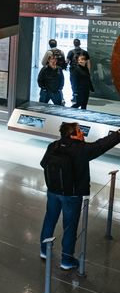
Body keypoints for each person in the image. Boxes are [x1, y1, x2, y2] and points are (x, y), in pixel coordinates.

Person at [40, 122, 120, 269]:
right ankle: (67, 260)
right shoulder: (82, 149)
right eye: (79, 131)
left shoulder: (54, 146)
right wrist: (119, 134)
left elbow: (44, 163)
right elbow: (102, 145)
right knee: (70, 226)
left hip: (53, 191)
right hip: (72, 195)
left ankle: (44, 251)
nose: (82, 133)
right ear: (72, 135)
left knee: (50, 220)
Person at [67, 39, 90, 103]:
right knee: (82, 83)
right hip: (83, 71)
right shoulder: (85, 52)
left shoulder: (71, 52)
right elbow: (88, 62)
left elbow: (67, 61)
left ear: (73, 44)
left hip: (73, 71)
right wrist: (88, 71)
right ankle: (82, 96)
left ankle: (75, 96)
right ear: (80, 43)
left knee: (74, 83)